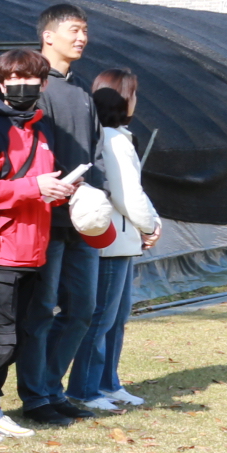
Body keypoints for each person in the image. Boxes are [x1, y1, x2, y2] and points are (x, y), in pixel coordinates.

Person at [0, 50, 75, 444]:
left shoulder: (43, 128)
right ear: (2, 84)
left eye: (31, 78)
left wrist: (60, 191)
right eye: (14, 77)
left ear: (44, 84)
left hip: (33, 251)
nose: (22, 84)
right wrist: (33, 187)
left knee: (18, 337)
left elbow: (41, 184)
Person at [13, 1, 108, 425]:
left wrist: (99, 201)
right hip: (44, 221)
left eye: (85, 29)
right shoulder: (33, 87)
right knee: (39, 310)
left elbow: (96, 153)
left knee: (82, 309)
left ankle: (51, 388)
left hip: (83, 223)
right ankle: (35, 398)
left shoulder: (82, 91)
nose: (81, 37)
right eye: (74, 29)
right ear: (48, 35)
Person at [75, 71, 162, 412]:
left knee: (115, 315)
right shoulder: (115, 140)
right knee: (102, 318)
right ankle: (86, 388)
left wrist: (148, 223)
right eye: (134, 94)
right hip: (113, 241)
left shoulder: (110, 137)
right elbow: (127, 195)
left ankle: (108, 383)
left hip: (120, 240)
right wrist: (150, 225)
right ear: (125, 98)